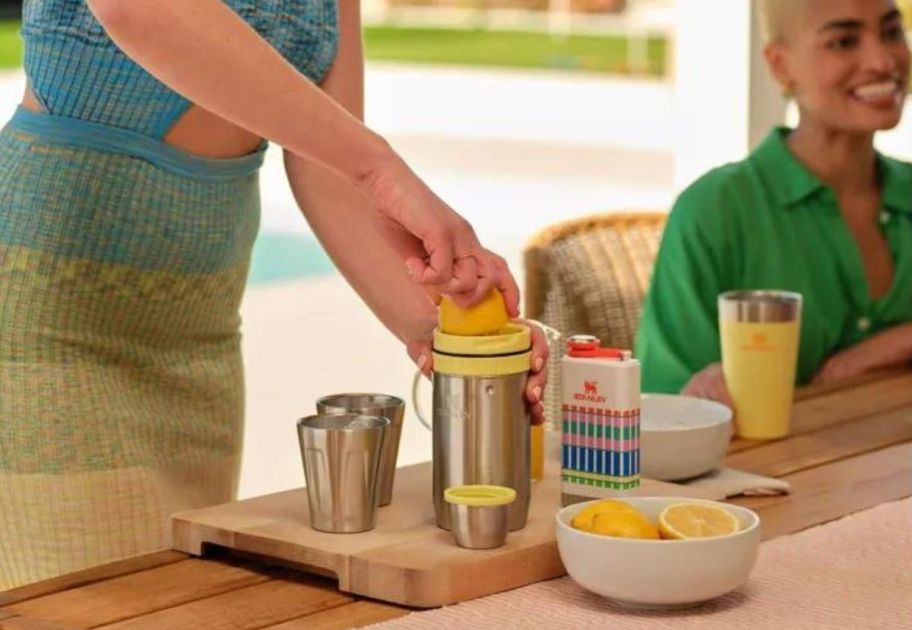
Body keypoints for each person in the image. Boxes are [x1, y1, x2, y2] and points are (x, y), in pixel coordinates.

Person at [0, 0, 547, 589]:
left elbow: (329, 173)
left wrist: (442, 329)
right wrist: (382, 168)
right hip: (49, 316)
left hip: (199, 337)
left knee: (174, 615)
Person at [636, 0, 912, 405]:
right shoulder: (715, 212)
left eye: (891, 32)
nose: (882, 60)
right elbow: (664, 411)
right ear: (780, 66)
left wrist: (890, 345)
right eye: (843, 41)